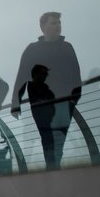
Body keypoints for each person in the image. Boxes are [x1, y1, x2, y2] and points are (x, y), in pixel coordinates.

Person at [11, 12, 82, 170]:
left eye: (59, 23)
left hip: (64, 102)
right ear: (43, 27)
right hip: (40, 104)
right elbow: (22, 75)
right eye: (53, 23)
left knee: (59, 139)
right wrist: (16, 102)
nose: (58, 26)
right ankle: (53, 169)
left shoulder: (67, 47)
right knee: (48, 138)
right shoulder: (32, 49)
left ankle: (53, 169)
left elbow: (76, 74)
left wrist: (73, 99)